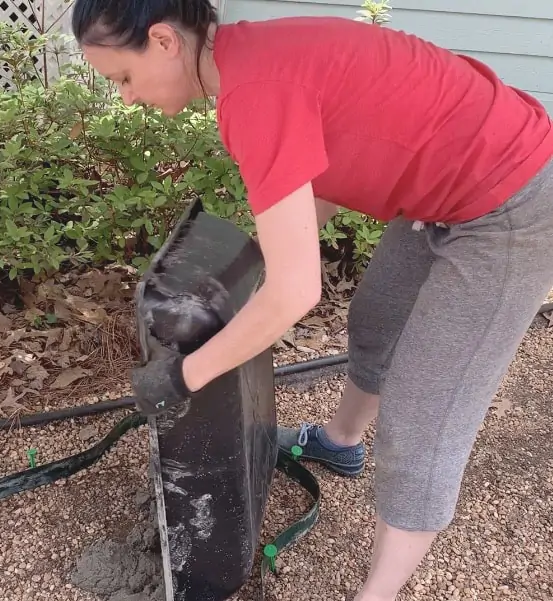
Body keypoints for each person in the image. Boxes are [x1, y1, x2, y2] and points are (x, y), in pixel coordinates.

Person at [71, 1, 553, 599]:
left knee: (426, 410)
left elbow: (297, 293)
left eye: (123, 77)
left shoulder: (253, 92)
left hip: (511, 199)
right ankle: (342, 444)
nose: (126, 97)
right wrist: (264, 258)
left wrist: (184, 375)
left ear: (165, 41)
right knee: (376, 320)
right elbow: (321, 175)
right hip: (452, 182)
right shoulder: (246, 56)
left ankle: (376, 593)